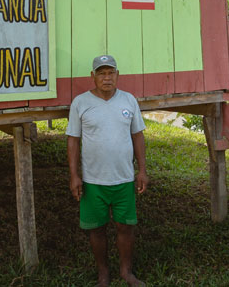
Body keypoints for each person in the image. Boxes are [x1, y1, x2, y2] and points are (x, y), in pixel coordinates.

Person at [66, 55, 149, 287]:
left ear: (117, 75)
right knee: (96, 229)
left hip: (124, 178)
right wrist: (74, 175)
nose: (106, 78)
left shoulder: (128, 100)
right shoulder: (80, 103)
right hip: (93, 180)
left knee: (125, 226)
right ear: (92, 76)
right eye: (101, 73)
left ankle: (126, 271)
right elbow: (73, 140)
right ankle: (103, 273)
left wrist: (142, 170)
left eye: (110, 73)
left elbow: (137, 135)